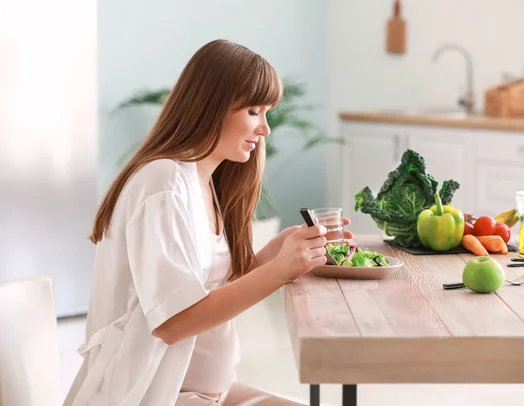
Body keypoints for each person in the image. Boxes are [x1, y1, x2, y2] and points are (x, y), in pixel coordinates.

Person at [63, 39, 353, 405]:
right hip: (151, 396)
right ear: (211, 107)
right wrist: (278, 271)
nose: (265, 129)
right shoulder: (163, 184)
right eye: (253, 111)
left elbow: (210, 289)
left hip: (206, 393)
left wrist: (272, 254)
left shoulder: (204, 181)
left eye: (266, 112)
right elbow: (173, 322)